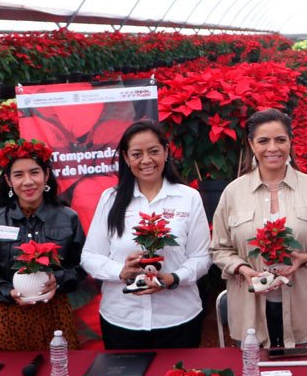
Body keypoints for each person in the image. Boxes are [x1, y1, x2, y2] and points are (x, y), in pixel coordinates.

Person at [211, 108, 307, 348]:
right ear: (251, 144)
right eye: (263, 141)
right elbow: (219, 249)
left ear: (290, 142)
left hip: (304, 308)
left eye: (280, 140)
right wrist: (243, 269)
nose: (273, 148)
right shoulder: (233, 192)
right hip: (250, 310)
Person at [82, 120, 211, 349]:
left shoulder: (189, 198)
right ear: (125, 157)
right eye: (137, 154)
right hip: (122, 320)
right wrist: (120, 271)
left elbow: (201, 258)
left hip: (178, 318)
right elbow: (90, 257)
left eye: (153, 152)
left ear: (166, 152)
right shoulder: (110, 199)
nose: (146, 160)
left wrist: (174, 278)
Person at [0, 139, 86, 351]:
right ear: (8, 180)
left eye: (34, 172)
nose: (28, 181)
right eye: (18, 175)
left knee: (61, 374)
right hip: (10, 319)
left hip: (56, 317)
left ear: (46, 176)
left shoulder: (68, 218)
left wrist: (58, 280)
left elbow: (82, 267)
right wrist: (9, 292)